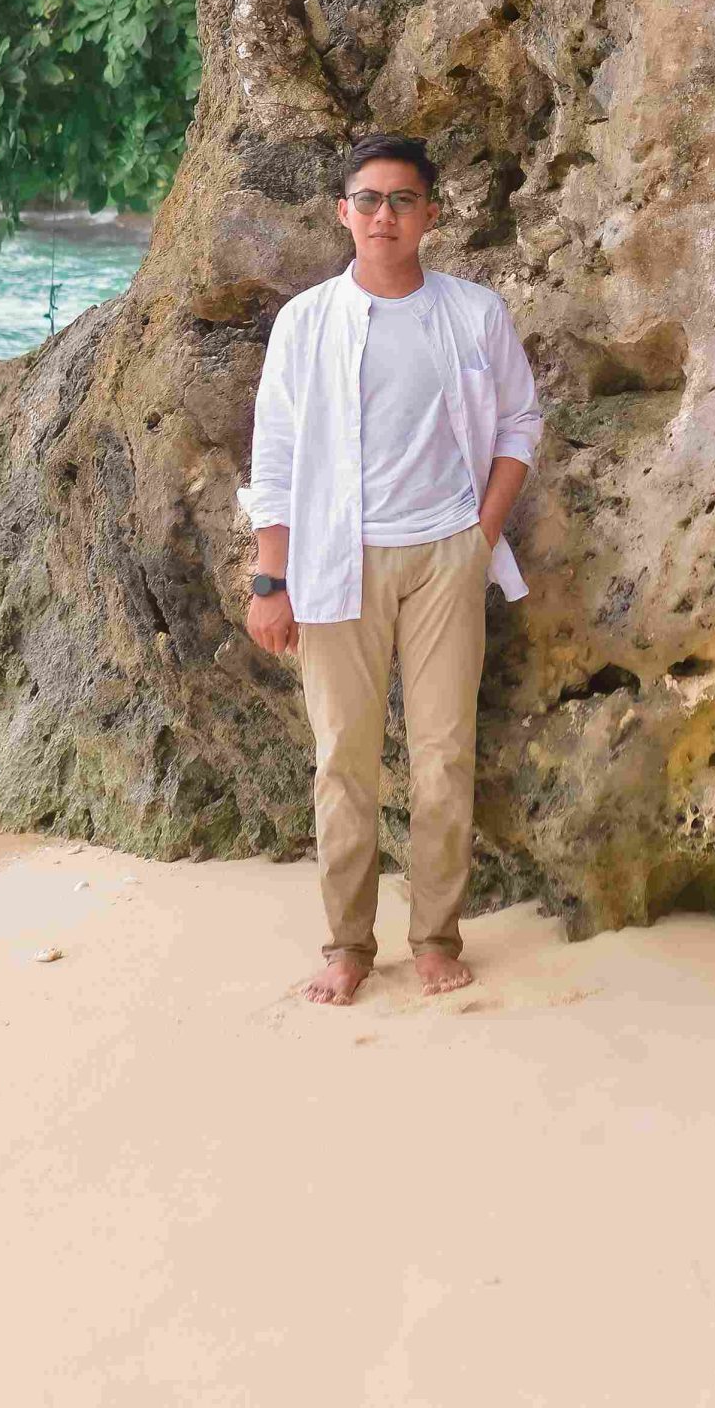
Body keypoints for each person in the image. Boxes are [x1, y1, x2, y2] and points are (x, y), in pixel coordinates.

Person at [242, 134, 542, 1005]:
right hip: (335, 559)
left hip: (448, 553)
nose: (385, 215)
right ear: (345, 213)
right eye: (369, 200)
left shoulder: (475, 313)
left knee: (445, 755)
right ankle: (348, 948)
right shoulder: (307, 322)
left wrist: (483, 533)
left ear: (429, 215)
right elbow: (275, 453)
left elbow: (520, 422)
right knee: (344, 759)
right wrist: (271, 580)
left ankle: (437, 938)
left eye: (402, 200)